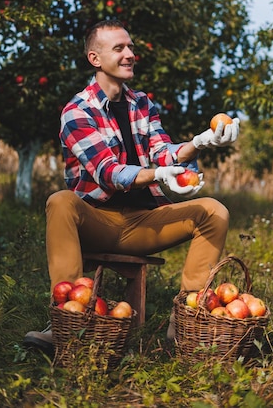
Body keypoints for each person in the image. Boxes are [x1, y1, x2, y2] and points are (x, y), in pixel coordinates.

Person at [23, 18, 239, 354]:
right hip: (97, 220)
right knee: (61, 201)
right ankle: (66, 320)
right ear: (95, 59)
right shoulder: (76, 112)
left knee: (214, 211)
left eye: (131, 48)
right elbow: (108, 172)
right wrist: (157, 175)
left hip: (143, 223)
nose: (130, 55)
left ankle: (184, 323)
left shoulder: (142, 104)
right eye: (120, 48)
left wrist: (200, 142)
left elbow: (162, 152)